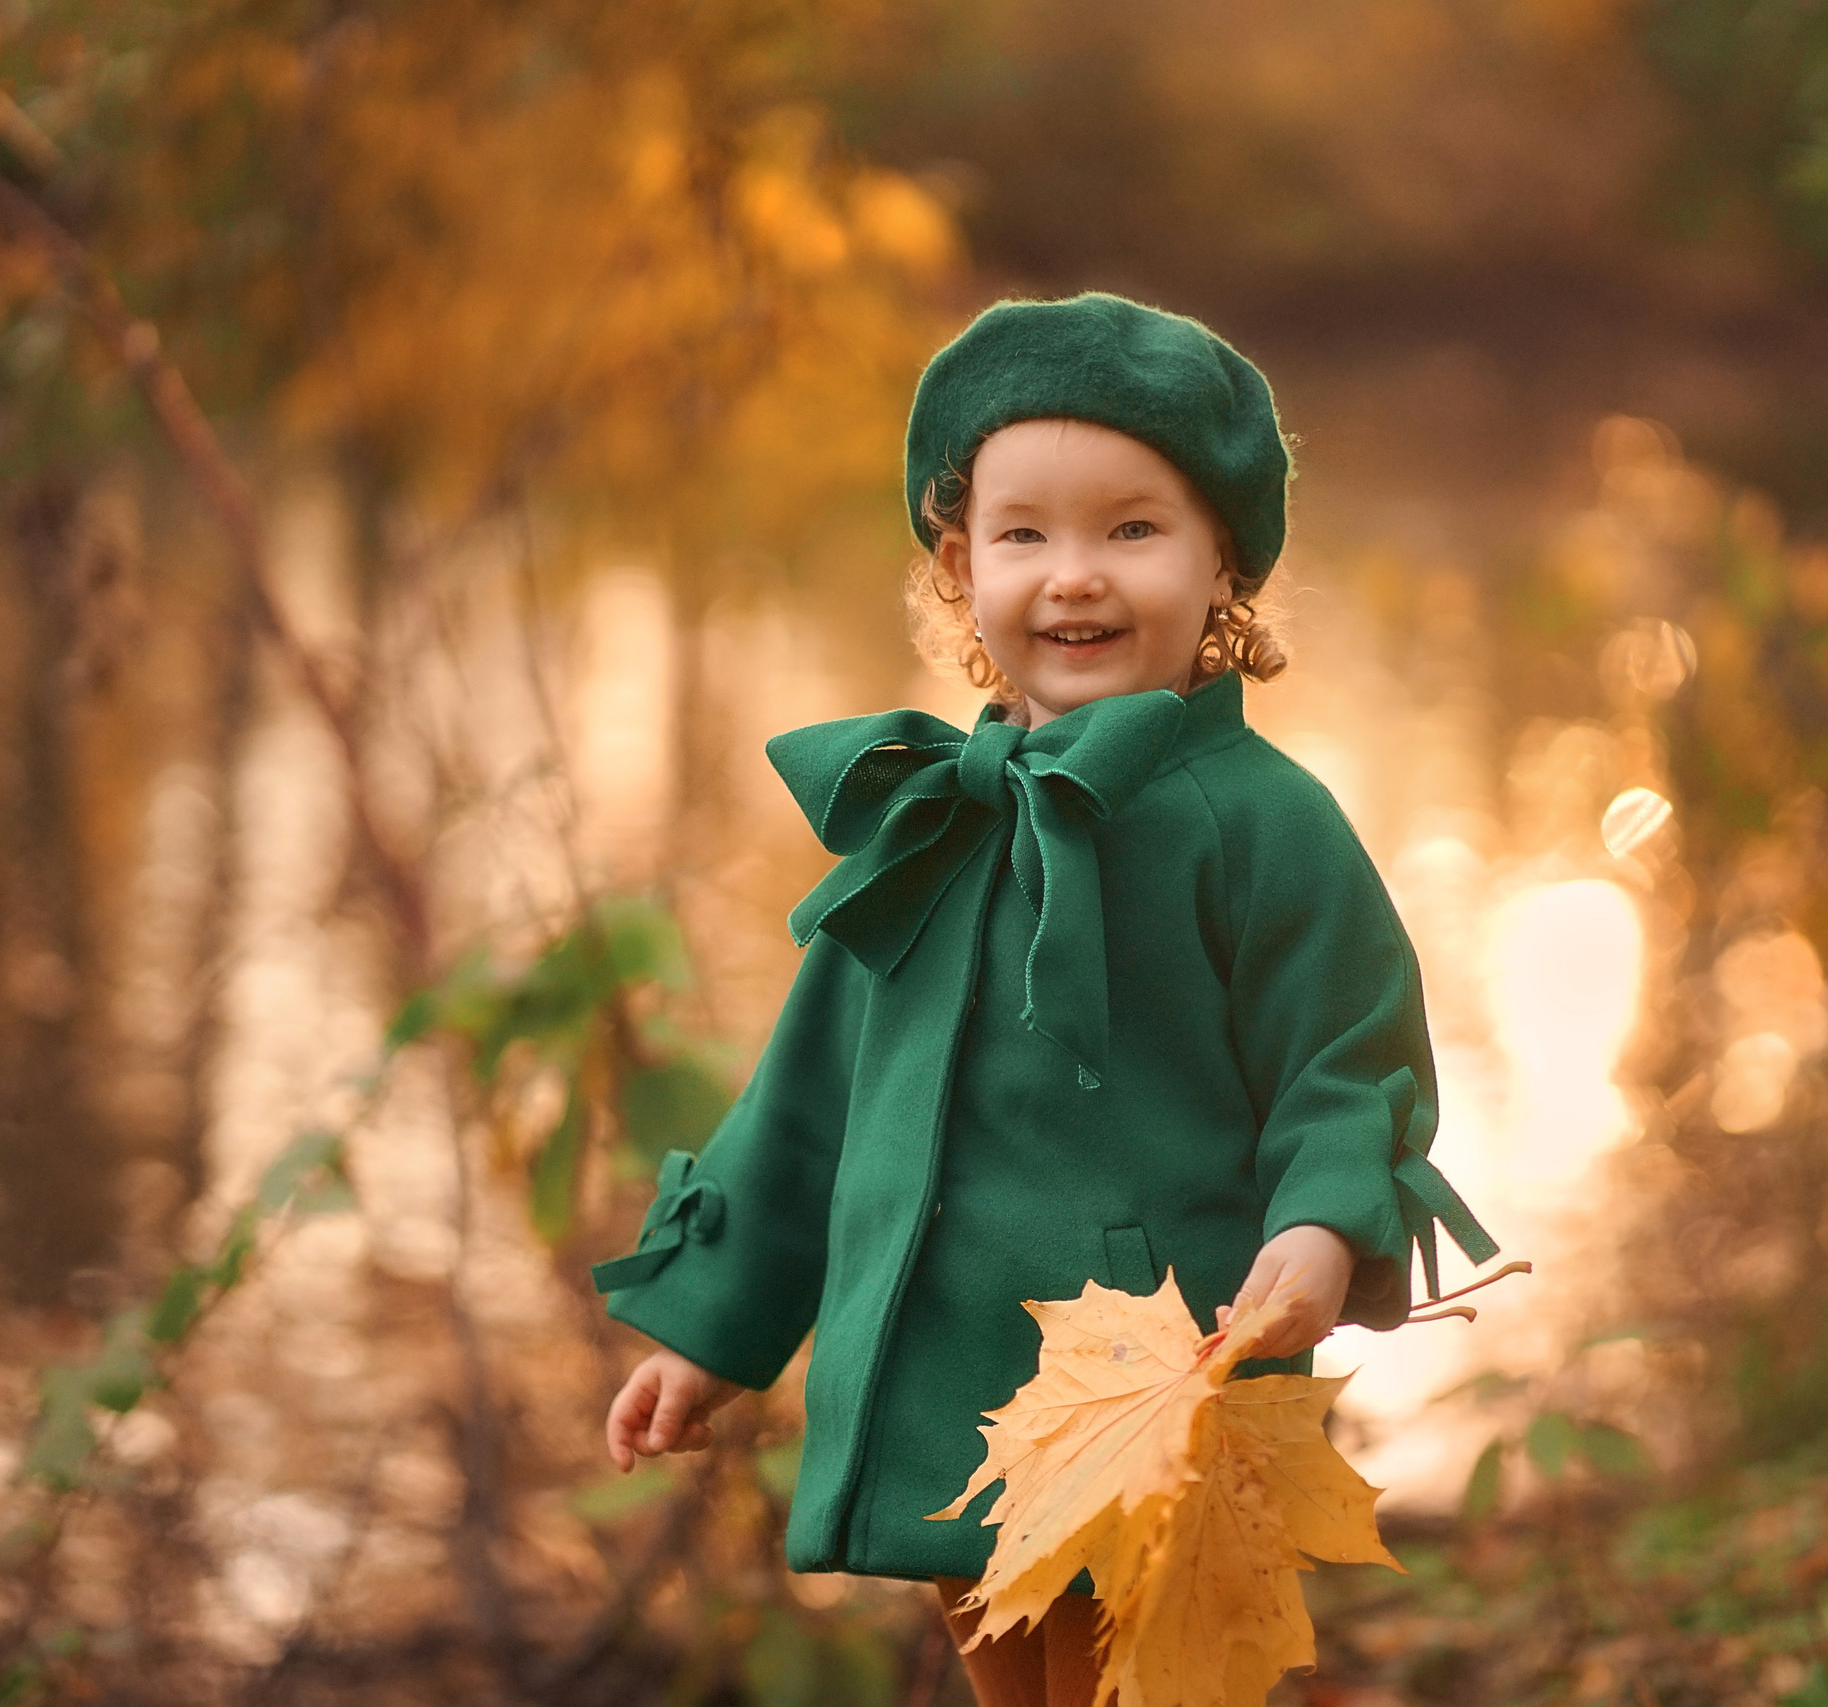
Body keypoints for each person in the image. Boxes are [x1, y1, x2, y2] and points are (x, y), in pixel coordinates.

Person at [592, 292, 1496, 1706]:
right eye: (1025, 535)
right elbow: (810, 1097)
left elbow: (1348, 1054)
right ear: (960, 565)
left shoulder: (1259, 821)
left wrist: (1322, 1226)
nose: (1074, 576)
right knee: (1012, 1680)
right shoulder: (936, 820)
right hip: (957, 1352)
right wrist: (713, 1330)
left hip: (1159, 1350)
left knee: (1151, 1687)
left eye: (1132, 530)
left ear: (1223, 567)